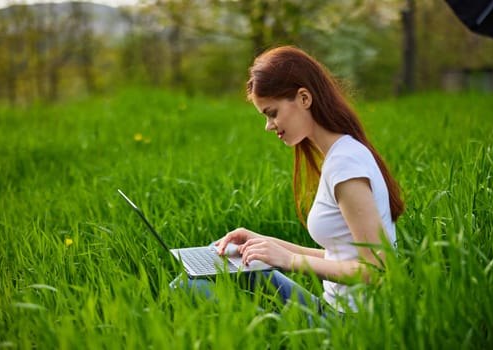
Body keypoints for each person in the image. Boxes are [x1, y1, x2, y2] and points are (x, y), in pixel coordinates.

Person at [171, 45, 404, 315]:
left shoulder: (346, 165)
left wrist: (289, 260)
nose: (269, 125)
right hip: (331, 309)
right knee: (223, 254)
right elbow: (339, 257)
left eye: (272, 113)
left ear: (304, 98)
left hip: (348, 326)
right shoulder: (340, 155)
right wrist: (265, 244)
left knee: (188, 287)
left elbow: (376, 270)